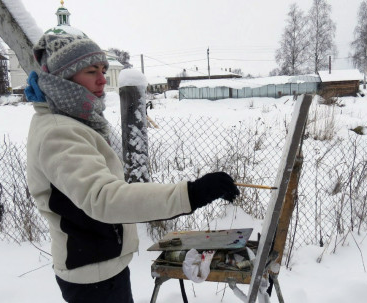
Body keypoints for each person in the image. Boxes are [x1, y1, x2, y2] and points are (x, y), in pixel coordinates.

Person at [25, 33, 240, 303]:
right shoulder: (58, 132)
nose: (103, 79)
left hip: (102, 264)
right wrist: (191, 193)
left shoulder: (74, 123)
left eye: (103, 70)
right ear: (61, 78)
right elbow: (104, 198)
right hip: (92, 274)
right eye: (91, 71)